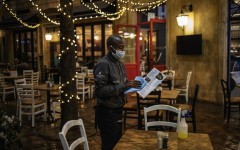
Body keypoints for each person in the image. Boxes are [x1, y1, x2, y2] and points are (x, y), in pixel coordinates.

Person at [94, 34, 141, 150]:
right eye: (120, 47)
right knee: (109, 144)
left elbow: (121, 84)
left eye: (123, 47)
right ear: (111, 48)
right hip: (107, 111)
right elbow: (100, 91)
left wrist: (133, 84)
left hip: (117, 108)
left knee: (117, 141)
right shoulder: (103, 64)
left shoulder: (119, 64)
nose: (123, 50)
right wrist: (123, 85)